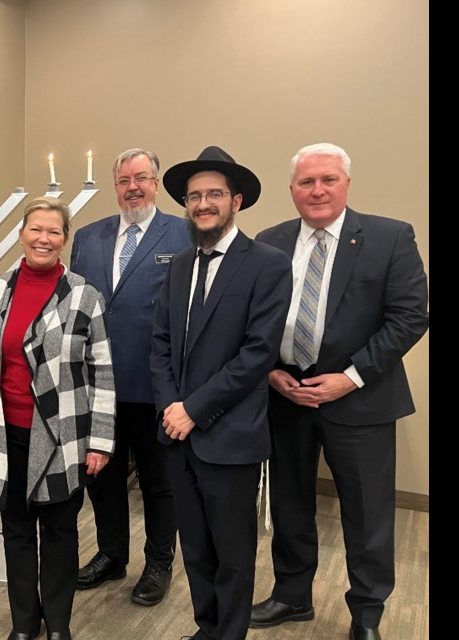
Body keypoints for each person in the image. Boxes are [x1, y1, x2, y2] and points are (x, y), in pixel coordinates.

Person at [249, 143, 429, 640]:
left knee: (367, 515)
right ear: (292, 190)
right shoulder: (269, 241)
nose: (317, 190)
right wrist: (268, 372)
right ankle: (291, 596)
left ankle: (366, 614)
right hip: (285, 396)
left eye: (327, 179)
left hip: (361, 399)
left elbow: (410, 317)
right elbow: (252, 317)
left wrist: (349, 378)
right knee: (289, 506)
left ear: (347, 183)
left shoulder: (389, 237)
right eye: (306, 182)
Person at [149, 147, 292, 640]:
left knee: (232, 553)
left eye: (214, 194)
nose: (203, 203)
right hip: (178, 433)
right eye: (194, 196)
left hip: (229, 434)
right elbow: (161, 343)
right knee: (196, 550)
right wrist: (172, 407)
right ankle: (207, 628)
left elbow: (256, 355)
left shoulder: (268, 264)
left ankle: (229, 634)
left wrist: (194, 409)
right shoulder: (179, 264)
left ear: (236, 201)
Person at [0, 196, 116, 640]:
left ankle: (59, 624)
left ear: (65, 240)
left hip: (64, 436)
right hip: (5, 432)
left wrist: (101, 441)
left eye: (54, 231)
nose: (44, 238)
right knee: (17, 532)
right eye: (36, 229)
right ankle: (25, 623)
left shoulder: (85, 296)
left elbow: (103, 372)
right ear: (22, 234)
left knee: (62, 532)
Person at [70, 148, 191, 606]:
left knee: (160, 483)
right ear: (115, 186)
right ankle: (111, 555)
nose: (132, 187)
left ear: (156, 183)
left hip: (156, 387)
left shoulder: (183, 232)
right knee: (102, 478)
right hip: (97, 388)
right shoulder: (87, 236)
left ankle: (159, 563)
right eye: (124, 180)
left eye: (142, 178)